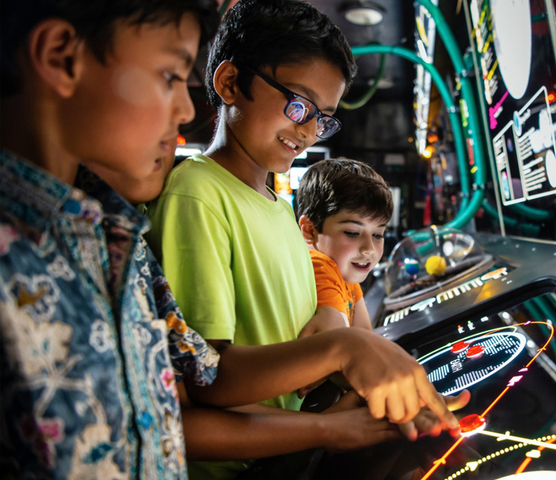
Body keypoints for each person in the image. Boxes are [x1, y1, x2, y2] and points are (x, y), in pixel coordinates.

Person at [144, 1, 462, 478]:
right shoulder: (198, 194)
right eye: (299, 104)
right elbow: (206, 380)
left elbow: (289, 341)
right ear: (230, 83)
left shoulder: (275, 204)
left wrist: (368, 386)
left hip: (286, 449)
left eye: (324, 118)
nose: (309, 130)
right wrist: (339, 382)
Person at [0, 1, 220, 477]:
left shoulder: (118, 237)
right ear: (61, 57)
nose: (185, 109)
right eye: (169, 76)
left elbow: (202, 373)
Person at [296, 158, 392, 333]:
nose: (369, 249)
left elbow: (364, 334)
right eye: (353, 233)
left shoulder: (345, 272)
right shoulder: (320, 265)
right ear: (310, 230)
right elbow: (339, 345)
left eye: (377, 234)